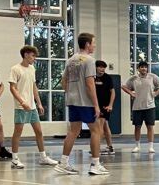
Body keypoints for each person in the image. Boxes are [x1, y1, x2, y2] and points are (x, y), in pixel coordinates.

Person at [54, 33, 109, 175]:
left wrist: (71, 93)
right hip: (86, 102)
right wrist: (96, 105)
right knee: (96, 130)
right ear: (87, 44)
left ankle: (63, 163)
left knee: (73, 132)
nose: (94, 45)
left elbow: (63, 81)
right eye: (93, 43)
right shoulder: (89, 60)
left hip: (72, 101)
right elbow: (90, 84)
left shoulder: (70, 60)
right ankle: (95, 164)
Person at [8, 45, 58, 169]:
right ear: (25, 55)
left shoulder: (31, 68)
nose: (34, 58)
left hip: (32, 106)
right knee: (18, 133)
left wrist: (39, 103)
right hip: (21, 106)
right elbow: (12, 88)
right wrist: (22, 101)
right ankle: (14, 159)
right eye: (33, 55)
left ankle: (43, 157)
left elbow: (34, 87)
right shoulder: (15, 69)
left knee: (39, 132)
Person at [122, 61, 159, 153]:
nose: (144, 69)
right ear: (138, 68)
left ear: (147, 68)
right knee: (137, 127)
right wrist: (130, 93)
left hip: (149, 106)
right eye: (141, 67)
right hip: (137, 107)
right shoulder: (134, 78)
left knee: (150, 126)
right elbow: (124, 86)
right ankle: (137, 146)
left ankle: (151, 146)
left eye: (145, 67)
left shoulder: (152, 77)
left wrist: (157, 93)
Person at [95, 60, 116, 155]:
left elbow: (113, 92)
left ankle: (96, 148)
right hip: (95, 105)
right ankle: (110, 147)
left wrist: (110, 105)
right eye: (100, 67)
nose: (102, 69)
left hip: (104, 106)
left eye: (103, 67)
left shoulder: (107, 78)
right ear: (95, 68)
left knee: (100, 126)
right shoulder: (92, 77)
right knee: (105, 125)